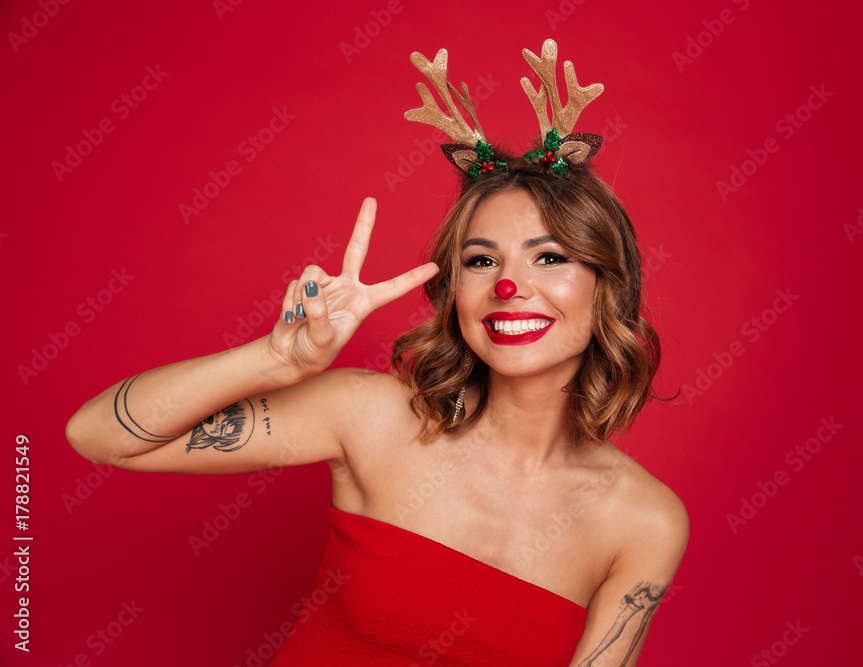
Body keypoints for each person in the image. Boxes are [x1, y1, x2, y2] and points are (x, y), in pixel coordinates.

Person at [66, 40, 688, 666]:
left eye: (549, 257)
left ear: (608, 285)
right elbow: (98, 435)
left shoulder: (644, 520)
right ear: (453, 292)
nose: (509, 286)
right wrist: (279, 362)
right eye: (480, 260)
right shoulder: (372, 415)